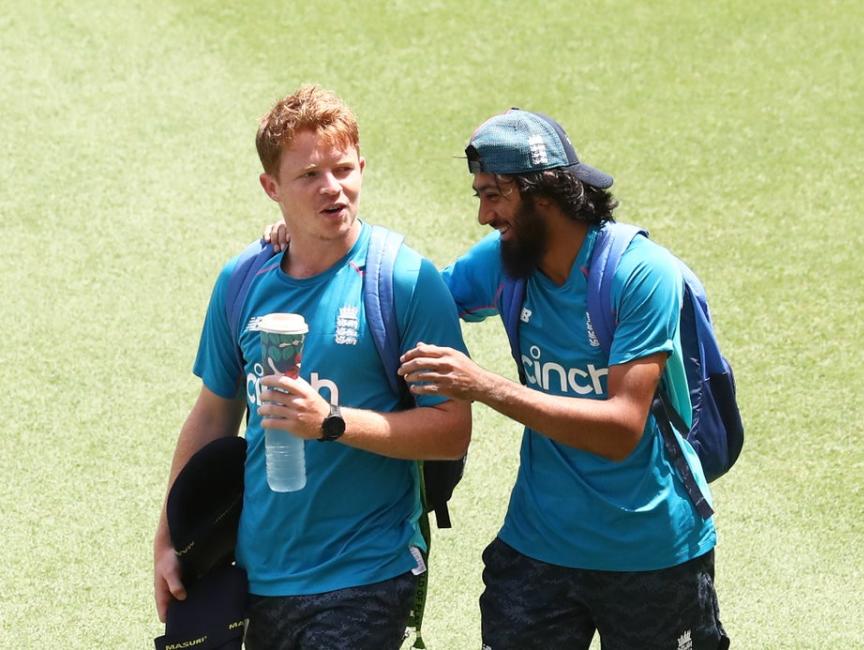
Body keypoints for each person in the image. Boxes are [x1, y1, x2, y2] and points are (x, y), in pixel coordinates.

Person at [153, 85, 471, 650]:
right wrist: (168, 542)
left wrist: (333, 420)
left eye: (343, 169)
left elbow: (451, 430)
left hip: (366, 573)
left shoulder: (403, 282)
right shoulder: (242, 282)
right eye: (308, 176)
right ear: (271, 187)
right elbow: (212, 415)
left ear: (362, 168)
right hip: (257, 576)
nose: (333, 187)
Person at [397, 109, 729, 649]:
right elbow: (404, 299)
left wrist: (484, 385)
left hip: (651, 555)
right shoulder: (502, 263)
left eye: (495, 195)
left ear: (543, 195)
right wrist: (310, 239)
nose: (484, 215)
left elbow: (621, 428)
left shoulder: (640, 274)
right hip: (538, 548)